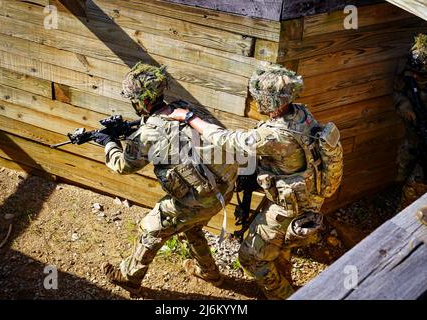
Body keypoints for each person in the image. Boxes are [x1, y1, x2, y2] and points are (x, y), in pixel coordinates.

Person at [168, 63, 343, 299]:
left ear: (271, 101)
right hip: (304, 195)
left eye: (259, 97)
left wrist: (189, 118)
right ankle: (285, 281)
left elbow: (225, 139)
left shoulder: (274, 135)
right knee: (278, 249)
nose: (255, 100)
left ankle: (284, 295)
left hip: (289, 206)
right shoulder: (300, 113)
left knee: (250, 258)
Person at [91, 62, 238, 293]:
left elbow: (122, 165)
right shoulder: (184, 109)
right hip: (223, 190)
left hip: (199, 199)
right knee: (192, 227)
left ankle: (129, 277)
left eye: (134, 99)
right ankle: (210, 273)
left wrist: (109, 142)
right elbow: (170, 131)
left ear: (142, 101)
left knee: (150, 229)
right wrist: (136, 128)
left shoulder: (148, 134)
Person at [393, 33, 427, 209]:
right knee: (404, 163)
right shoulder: (408, 72)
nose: (418, 79)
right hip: (414, 134)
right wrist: (405, 106)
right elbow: (397, 91)